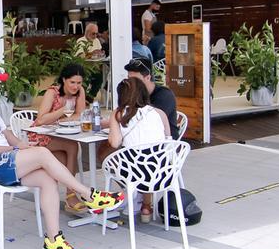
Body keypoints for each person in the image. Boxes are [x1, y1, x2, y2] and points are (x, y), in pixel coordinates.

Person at [0, 65, 122, 249]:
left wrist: (20, 145)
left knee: (48, 179)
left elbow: (7, 135)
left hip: (4, 162)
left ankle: (53, 241)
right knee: (42, 153)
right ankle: (89, 195)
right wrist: (13, 149)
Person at [104, 77, 171, 223]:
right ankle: (146, 206)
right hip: (163, 172)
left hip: (135, 174)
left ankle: (130, 194)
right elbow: (168, 141)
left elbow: (115, 143)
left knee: (110, 160)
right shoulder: (159, 112)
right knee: (148, 158)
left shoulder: (119, 113)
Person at [28, 64, 89, 212]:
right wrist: (63, 110)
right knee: (73, 146)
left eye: (79, 83)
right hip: (40, 135)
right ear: (64, 80)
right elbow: (41, 119)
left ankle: (65, 195)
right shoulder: (52, 92)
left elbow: (79, 115)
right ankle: (71, 195)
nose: (76, 86)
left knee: (65, 155)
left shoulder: (80, 92)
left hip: (60, 134)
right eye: (72, 82)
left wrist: (62, 120)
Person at [124, 58, 182, 141]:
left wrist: (111, 122)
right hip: (141, 141)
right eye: (129, 78)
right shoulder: (134, 93)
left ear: (147, 78)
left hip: (163, 145)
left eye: (135, 80)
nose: (130, 82)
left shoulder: (164, 95)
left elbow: (146, 121)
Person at [74, 23, 106, 98]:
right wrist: (91, 53)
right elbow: (80, 56)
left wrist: (101, 53)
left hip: (95, 67)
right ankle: (81, 98)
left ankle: (90, 98)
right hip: (84, 68)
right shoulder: (81, 41)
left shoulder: (96, 40)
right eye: (93, 34)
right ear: (87, 32)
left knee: (100, 79)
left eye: (96, 34)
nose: (95, 36)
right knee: (86, 80)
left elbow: (99, 52)